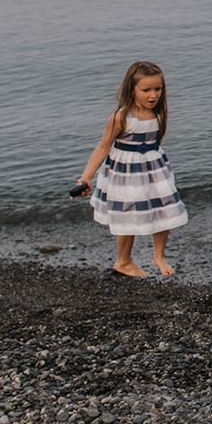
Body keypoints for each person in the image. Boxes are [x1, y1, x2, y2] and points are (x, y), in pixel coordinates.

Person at [70, 60, 188, 277]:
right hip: (126, 172)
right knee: (127, 213)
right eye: (146, 90)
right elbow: (103, 146)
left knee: (164, 208)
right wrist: (85, 178)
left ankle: (159, 256)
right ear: (132, 90)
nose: (153, 95)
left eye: (157, 89)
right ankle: (123, 261)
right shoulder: (121, 117)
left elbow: (155, 141)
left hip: (154, 169)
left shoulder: (159, 113)